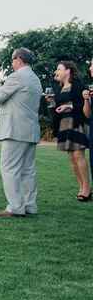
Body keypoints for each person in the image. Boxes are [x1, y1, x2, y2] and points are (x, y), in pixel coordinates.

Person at [0, 47, 43, 218]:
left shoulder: (17, 76)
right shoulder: (35, 79)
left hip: (15, 130)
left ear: (19, 59)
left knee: (9, 168)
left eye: (12, 59)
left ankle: (15, 207)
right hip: (30, 130)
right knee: (28, 170)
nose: (11, 63)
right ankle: (30, 205)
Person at [46, 61, 90, 201]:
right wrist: (52, 104)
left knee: (78, 156)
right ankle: (81, 187)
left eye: (59, 69)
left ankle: (86, 189)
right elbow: (57, 110)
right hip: (64, 124)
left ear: (68, 71)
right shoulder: (58, 88)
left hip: (76, 122)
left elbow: (82, 105)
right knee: (72, 159)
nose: (56, 72)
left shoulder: (77, 85)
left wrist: (68, 107)